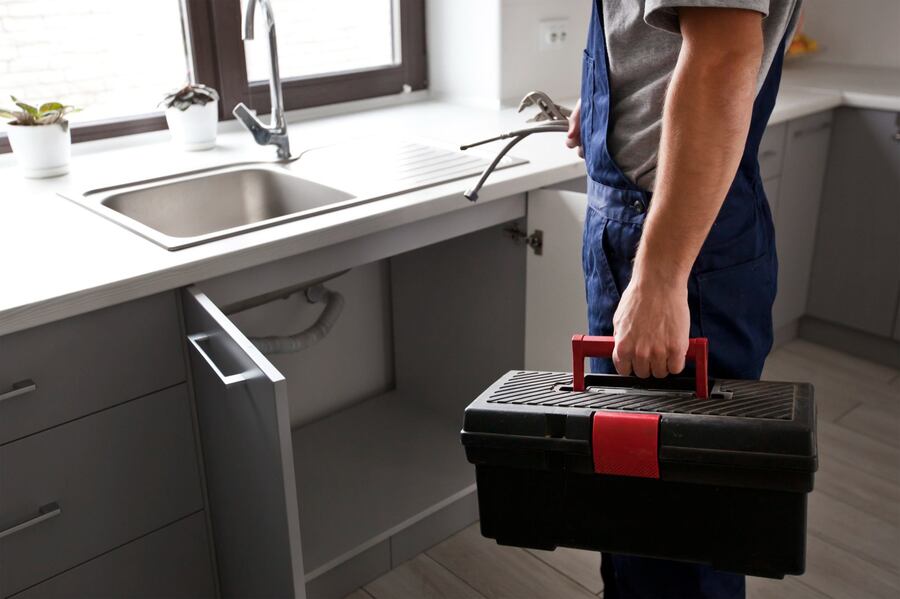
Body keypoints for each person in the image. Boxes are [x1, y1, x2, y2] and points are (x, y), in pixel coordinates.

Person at [566, 1, 802, 598]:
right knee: (634, 498)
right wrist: (608, 110)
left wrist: (661, 276)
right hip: (647, 226)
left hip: (671, 238)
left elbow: (723, 53)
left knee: (674, 521)